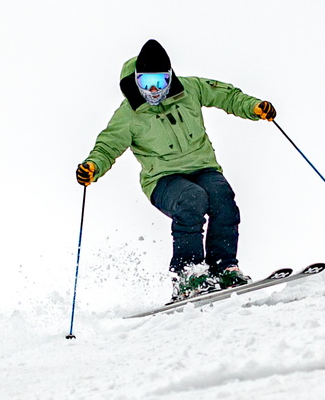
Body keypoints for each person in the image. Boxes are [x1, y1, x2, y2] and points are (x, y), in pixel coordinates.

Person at [76, 39, 276, 301]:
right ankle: (188, 274)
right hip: (162, 180)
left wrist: (253, 107)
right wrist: (93, 167)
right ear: (136, 80)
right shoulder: (129, 113)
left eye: (160, 82)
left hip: (203, 168)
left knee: (222, 199)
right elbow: (107, 146)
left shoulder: (190, 89)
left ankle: (223, 268)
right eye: (146, 83)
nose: (154, 90)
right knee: (192, 198)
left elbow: (227, 95)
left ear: (170, 78)